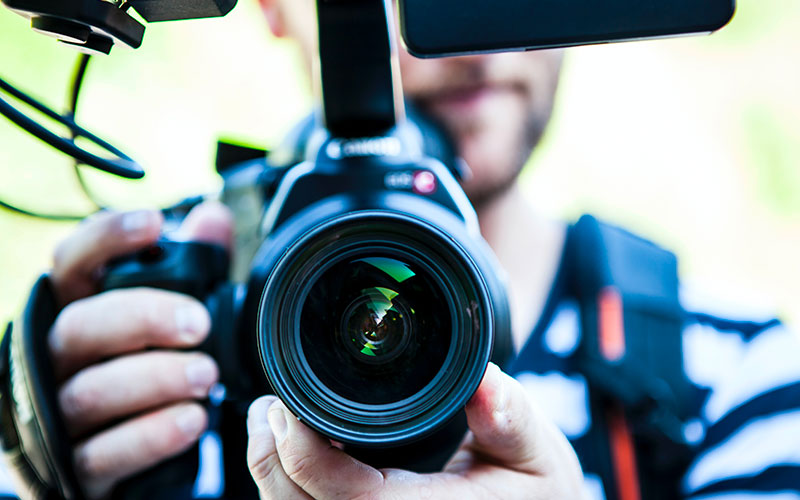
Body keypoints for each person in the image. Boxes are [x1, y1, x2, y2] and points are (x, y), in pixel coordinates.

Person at [4, 0, 800, 498]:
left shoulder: (730, 371)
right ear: (273, 7)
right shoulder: (151, 351)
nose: (475, 45)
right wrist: (36, 446)